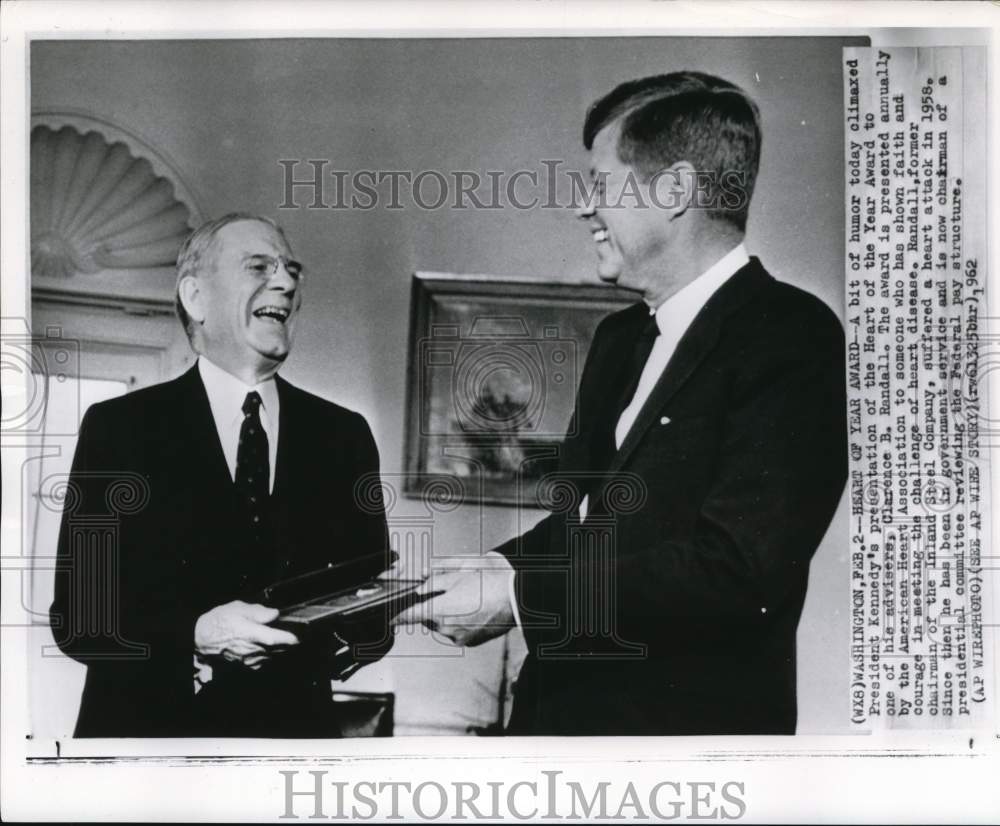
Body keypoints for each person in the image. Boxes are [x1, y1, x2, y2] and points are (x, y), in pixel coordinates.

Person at [395, 72, 848, 735]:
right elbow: (580, 522)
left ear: (675, 191)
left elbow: (737, 572)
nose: (585, 207)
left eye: (601, 184)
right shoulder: (618, 337)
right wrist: (498, 565)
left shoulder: (792, 337)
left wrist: (518, 598)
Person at [50, 213, 391, 737]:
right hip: (147, 763)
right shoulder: (120, 429)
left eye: (291, 269)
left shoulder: (344, 437)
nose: (286, 281)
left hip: (288, 763)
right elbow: (79, 619)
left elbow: (370, 620)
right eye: (259, 266)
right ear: (196, 297)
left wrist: (336, 637)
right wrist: (196, 634)